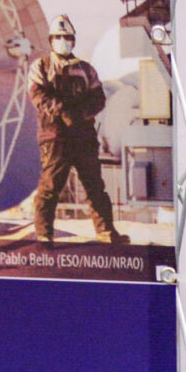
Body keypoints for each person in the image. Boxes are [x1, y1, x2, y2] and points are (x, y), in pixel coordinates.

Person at [28, 14, 125, 245]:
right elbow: (37, 95)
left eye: (67, 37)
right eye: (59, 37)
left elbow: (98, 98)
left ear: (73, 40)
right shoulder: (41, 66)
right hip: (55, 137)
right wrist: (63, 112)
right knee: (50, 186)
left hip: (83, 136)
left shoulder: (86, 69)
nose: (63, 41)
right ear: (51, 40)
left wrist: (80, 114)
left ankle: (105, 231)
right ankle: (44, 234)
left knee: (95, 187)